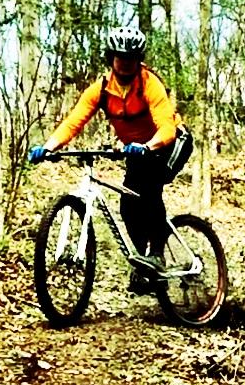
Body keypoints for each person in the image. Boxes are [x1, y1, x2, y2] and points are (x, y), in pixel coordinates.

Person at [28, 26, 181, 295]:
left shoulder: (149, 83)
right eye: (120, 58)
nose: (125, 64)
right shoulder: (99, 89)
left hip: (167, 144)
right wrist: (48, 147)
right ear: (110, 58)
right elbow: (73, 121)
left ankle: (156, 255)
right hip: (133, 150)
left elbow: (167, 128)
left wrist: (148, 146)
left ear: (138, 60)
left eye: (131, 58)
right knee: (127, 205)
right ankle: (144, 264)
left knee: (150, 191)